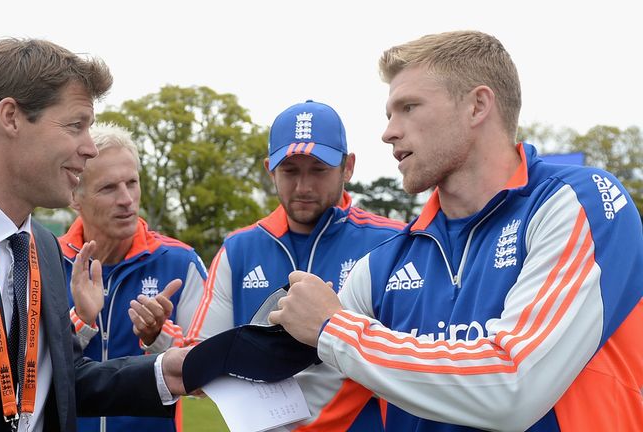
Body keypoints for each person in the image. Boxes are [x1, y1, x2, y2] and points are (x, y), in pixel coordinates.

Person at [268, 30, 643, 431]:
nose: (389, 131)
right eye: (389, 115)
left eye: (408, 107)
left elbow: (513, 387)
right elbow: (310, 396)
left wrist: (334, 328)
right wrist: (206, 370)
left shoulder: (578, 201)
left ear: (477, 106)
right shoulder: (383, 264)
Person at [0, 38, 189, 432]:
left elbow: (60, 379)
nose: (91, 149)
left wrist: (163, 373)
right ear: (11, 118)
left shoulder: (41, 244)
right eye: (76, 126)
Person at [186, 100, 406, 430]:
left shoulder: (391, 242)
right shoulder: (239, 249)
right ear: (269, 169)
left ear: (348, 167)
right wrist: (160, 338)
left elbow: (412, 364)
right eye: (290, 171)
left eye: (318, 169)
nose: (303, 187)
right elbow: (200, 364)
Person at [60, 122, 207, 432]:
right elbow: (28, 366)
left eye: (132, 182)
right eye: (109, 187)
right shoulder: (44, 259)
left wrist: (158, 337)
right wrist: (82, 320)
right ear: (74, 195)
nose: (126, 198)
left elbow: (209, 373)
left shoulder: (181, 262)